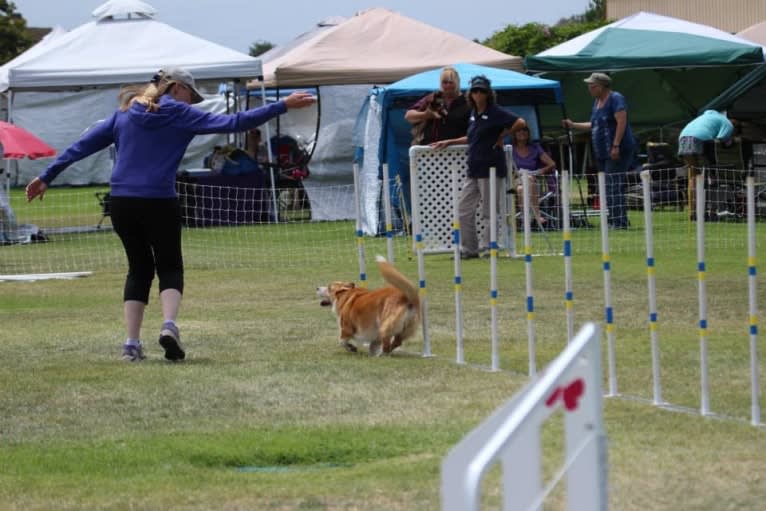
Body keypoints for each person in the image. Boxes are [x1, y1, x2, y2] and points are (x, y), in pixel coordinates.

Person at [25, 66, 315, 362]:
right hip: (159, 200)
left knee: (138, 269)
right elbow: (235, 122)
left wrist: (46, 176)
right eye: (191, 95)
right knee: (170, 267)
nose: (192, 103)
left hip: (122, 202)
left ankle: (131, 344)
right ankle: (168, 325)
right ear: (177, 88)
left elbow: (80, 147)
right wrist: (282, 105)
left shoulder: (124, 113)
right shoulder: (181, 113)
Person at [431, 75, 526, 259]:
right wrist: (449, 141)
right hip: (474, 168)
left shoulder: (496, 111)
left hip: (490, 167)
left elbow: (520, 122)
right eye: (474, 90)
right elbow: (472, 138)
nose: (477, 94)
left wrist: (502, 135)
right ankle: (470, 249)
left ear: (488, 93)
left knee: (489, 211)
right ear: (470, 94)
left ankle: (489, 248)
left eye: (481, 91)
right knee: (463, 210)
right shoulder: (474, 114)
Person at [563, 72, 636, 229]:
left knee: (613, 184)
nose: (589, 88)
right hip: (602, 151)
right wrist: (573, 124)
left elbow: (621, 122)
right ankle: (615, 219)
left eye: (592, 85)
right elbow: (593, 124)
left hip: (617, 149)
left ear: (602, 86)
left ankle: (619, 222)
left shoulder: (616, 98)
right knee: (607, 185)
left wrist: (616, 145)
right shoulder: (597, 102)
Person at [404, 66, 471, 145]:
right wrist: (426, 115)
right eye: (445, 82)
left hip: (457, 149)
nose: (448, 85)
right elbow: (408, 116)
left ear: (458, 83)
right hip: (431, 148)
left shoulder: (467, 102)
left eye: (451, 82)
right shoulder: (432, 98)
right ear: (441, 84)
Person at [510, 126, 556, 225]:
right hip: (513, 180)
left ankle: (525, 219)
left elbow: (552, 164)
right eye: (518, 130)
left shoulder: (535, 147)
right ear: (514, 133)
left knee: (521, 189)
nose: (522, 132)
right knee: (528, 179)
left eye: (525, 130)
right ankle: (537, 215)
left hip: (532, 181)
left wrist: (539, 171)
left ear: (528, 133)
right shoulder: (510, 149)